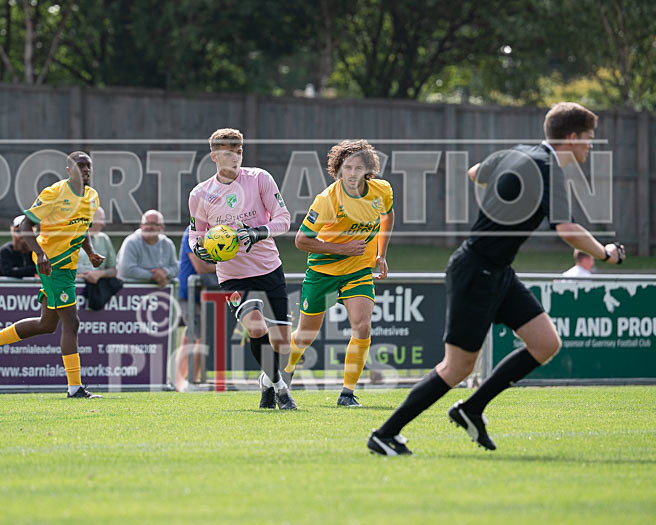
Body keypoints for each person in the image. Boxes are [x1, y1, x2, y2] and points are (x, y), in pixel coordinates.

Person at [368, 102, 625, 456]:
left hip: (498, 270)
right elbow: (566, 228)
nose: (591, 146)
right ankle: (385, 433)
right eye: (589, 139)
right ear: (571, 137)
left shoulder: (519, 153)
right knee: (456, 367)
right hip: (476, 270)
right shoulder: (547, 167)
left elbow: (476, 172)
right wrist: (604, 253)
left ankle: (471, 409)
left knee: (545, 343)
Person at [0, 151, 106, 398]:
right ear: (68, 170)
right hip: (52, 265)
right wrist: (41, 254)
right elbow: (24, 226)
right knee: (72, 323)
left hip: (68, 265)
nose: (85, 170)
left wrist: (92, 252)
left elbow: (81, 227)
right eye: (80, 165)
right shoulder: (54, 193)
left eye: (88, 166)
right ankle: (75, 388)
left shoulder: (92, 197)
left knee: (47, 324)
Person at [188, 127, 297, 410]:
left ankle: (266, 382)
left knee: (283, 344)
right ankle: (281, 389)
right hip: (234, 276)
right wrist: (199, 248)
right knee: (256, 327)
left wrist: (258, 232)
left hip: (269, 267)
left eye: (239, 151)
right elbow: (195, 235)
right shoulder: (200, 194)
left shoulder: (260, 178)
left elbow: (284, 219)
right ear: (214, 156)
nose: (235, 156)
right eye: (228, 152)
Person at [286, 140, 394, 407]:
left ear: (369, 170)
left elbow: (387, 217)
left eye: (359, 167)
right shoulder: (327, 200)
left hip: (357, 270)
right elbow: (301, 241)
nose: (353, 173)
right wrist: (342, 247)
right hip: (323, 271)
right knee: (305, 334)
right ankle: (281, 374)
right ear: (338, 170)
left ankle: (347, 393)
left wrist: (380, 254)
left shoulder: (381, 191)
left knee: (363, 326)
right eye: (348, 167)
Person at [175, 225, 217, 390]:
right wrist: (227, 266)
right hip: (189, 293)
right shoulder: (193, 232)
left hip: (206, 295)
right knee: (196, 338)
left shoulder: (219, 230)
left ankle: (187, 382)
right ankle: (185, 383)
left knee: (194, 337)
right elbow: (201, 267)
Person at [117, 209, 179, 288]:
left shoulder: (167, 243)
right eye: (146, 224)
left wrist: (164, 272)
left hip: (159, 294)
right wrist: (154, 276)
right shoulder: (131, 242)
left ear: (162, 227)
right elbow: (125, 270)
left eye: (154, 224)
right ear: (141, 226)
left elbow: (175, 268)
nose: (149, 227)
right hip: (130, 294)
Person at [77, 207, 122, 310]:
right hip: (69, 295)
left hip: (96, 297)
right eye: (101, 219)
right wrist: (84, 276)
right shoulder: (68, 237)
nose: (103, 224)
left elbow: (114, 270)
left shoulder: (104, 239)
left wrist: (98, 274)